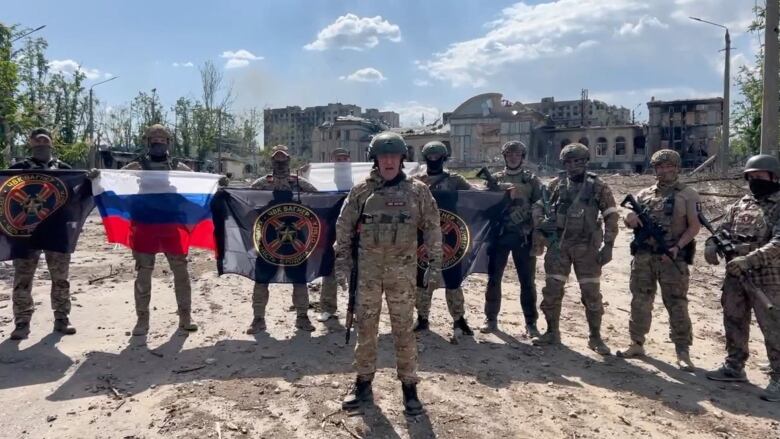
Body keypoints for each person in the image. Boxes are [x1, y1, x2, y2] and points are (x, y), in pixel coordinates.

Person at [336, 131, 441, 416]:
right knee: (366, 328)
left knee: (403, 330)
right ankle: (363, 383)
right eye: (384, 156)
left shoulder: (417, 191)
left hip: (402, 275)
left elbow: (433, 227)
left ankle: (409, 387)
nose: (389, 161)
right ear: (375, 159)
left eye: (394, 156)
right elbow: (343, 228)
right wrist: (342, 264)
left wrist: (435, 265)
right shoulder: (362, 191)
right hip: (368, 272)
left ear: (403, 159)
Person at [705, 154, 780, 402]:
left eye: (760, 176)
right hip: (735, 274)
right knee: (734, 318)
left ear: (773, 177)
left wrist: (749, 260)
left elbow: (778, 243)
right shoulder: (741, 204)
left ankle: (778, 377)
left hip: (767, 276)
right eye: (752, 177)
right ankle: (734, 366)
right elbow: (723, 229)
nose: (756, 181)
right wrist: (711, 244)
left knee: (773, 327)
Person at [617, 150, 700, 371]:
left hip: (671, 257)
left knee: (677, 304)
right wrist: (630, 218)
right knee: (640, 301)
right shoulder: (644, 194)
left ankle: (683, 351)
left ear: (677, 167)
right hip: (644, 256)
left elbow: (694, 227)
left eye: (668, 166)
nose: (664, 171)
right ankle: (636, 343)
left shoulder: (688, 194)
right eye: (659, 167)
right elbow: (627, 219)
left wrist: (677, 247)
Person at [532, 142, 619, 355]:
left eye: (578, 161)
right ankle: (552, 332)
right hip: (558, 246)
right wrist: (542, 223)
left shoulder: (598, 186)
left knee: (591, 293)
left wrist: (608, 246)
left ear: (586, 162)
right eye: (569, 162)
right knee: (552, 291)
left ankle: (595, 337)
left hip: (586, 247)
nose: (574, 166)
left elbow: (611, 216)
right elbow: (537, 207)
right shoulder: (555, 185)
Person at [118, 124, 199, 336]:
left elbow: (197, 182)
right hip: (145, 223)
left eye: (162, 137)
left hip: (172, 223)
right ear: (147, 141)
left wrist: (218, 182)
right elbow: (115, 179)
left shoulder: (177, 166)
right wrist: (97, 176)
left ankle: (185, 316)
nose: (158, 140)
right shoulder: (137, 165)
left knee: (180, 272)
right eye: (153, 137)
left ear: (168, 142)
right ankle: (142, 321)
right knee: (143, 273)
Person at [8, 128, 76, 340]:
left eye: (45, 139)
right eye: (37, 140)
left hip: (56, 231)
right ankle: (22, 321)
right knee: (22, 279)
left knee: (60, 278)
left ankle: (62, 318)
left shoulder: (63, 169)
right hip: (26, 233)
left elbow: (76, 193)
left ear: (52, 142)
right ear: (30, 143)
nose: (41, 143)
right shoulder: (17, 169)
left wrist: (91, 177)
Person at [247, 145, 318, 333]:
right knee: (262, 278)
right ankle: (258, 319)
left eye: (283, 159)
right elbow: (245, 201)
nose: (280, 162)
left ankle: (302, 317)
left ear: (289, 160)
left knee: (299, 278)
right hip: (268, 239)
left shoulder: (300, 183)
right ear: (271, 161)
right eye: (276, 159)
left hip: (296, 240)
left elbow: (319, 199)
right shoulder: (262, 183)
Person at [481, 140, 543, 337]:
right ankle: (491, 319)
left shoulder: (531, 180)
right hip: (499, 236)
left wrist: (532, 216)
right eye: (509, 154)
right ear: (505, 156)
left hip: (523, 236)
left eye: (517, 154)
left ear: (522, 157)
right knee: (493, 279)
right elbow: (484, 205)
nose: (513, 157)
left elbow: (542, 203)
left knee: (527, 281)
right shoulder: (496, 179)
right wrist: (498, 195)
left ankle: (531, 323)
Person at [412, 141, 473, 336]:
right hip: (423, 237)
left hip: (450, 236)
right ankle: (422, 318)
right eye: (430, 156)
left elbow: (476, 196)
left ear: (444, 157)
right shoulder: (416, 180)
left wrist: (502, 190)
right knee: (421, 278)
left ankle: (458, 319)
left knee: (453, 278)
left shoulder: (455, 180)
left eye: (438, 156)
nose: (434, 159)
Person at [318, 147, 351, 322]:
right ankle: (327, 308)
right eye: (339, 158)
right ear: (333, 160)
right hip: (330, 231)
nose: (342, 161)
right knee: (329, 270)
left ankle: (355, 308)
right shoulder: (323, 180)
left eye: (345, 157)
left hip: (354, 232)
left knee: (356, 272)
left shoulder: (359, 178)